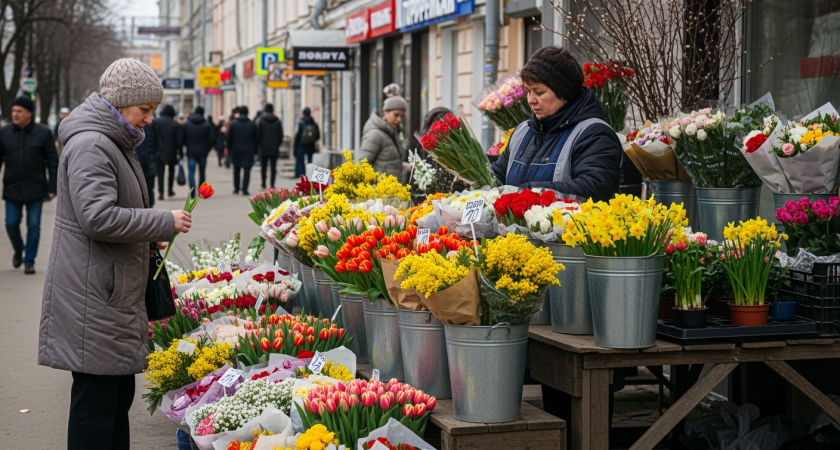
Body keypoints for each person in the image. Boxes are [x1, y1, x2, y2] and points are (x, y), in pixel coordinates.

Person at [38, 58, 192, 450]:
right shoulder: (93, 144)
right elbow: (98, 217)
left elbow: (110, 212)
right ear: (122, 104)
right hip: (96, 294)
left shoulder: (111, 140)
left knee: (115, 399)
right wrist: (162, 222)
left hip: (106, 290)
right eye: (145, 110)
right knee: (97, 406)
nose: (149, 120)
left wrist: (145, 238)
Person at [490, 46, 622, 202]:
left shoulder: (595, 134)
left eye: (539, 92)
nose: (531, 100)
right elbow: (496, 178)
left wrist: (526, 194)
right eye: (528, 91)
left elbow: (594, 187)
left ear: (563, 92)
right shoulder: (522, 132)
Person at [0, 96, 59, 274]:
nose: (15, 114)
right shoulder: (5, 133)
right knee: (11, 223)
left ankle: (29, 260)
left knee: (34, 225)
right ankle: (19, 249)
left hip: (36, 187)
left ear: (29, 114)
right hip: (12, 187)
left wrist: (52, 187)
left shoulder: (43, 133)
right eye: (13, 111)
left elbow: (52, 161)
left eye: (19, 111)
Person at [357, 83, 407, 182]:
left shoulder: (392, 132)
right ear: (385, 112)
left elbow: (389, 162)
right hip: (380, 192)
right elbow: (361, 164)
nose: (399, 119)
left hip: (390, 192)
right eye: (396, 115)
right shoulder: (375, 134)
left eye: (402, 116)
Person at [182, 106, 215, 196]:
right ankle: (202, 192)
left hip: (191, 151)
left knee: (191, 172)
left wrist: (187, 146)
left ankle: (192, 190)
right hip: (203, 152)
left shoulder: (187, 124)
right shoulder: (207, 125)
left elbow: (182, 138)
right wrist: (207, 148)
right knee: (202, 171)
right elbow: (212, 139)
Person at [227, 105, 259, 195]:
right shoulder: (252, 124)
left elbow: (229, 138)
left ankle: (236, 188)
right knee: (247, 170)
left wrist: (229, 150)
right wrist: (255, 150)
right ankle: (245, 189)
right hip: (248, 150)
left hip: (236, 149)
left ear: (239, 113)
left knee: (236, 169)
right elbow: (256, 139)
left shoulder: (233, 124)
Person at [157, 104, 183, 199]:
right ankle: (170, 190)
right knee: (171, 171)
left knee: (160, 172)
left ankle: (161, 192)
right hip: (171, 151)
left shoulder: (158, 122)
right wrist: (181, 153)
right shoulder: (175, 124)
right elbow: (179, 141)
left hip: (159, 150)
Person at [134, 113, 161, 207]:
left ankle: (148, 207)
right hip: (149, 160)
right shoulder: (153, 124)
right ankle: (149, 206)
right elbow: (158, 143)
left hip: (141, 160)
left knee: (142, 188)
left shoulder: (132, 125)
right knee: (149, 187)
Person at [257, 103, 283, 189]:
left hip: (263, 148)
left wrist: (260, 144)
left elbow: (258, 135)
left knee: (263, 166)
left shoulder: (261, 120)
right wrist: (277, 144)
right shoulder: (277, 121)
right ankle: (272, 184)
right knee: (273, 167)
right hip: (274, 148)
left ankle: (263, 182)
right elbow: (280, 135)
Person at [293, 107, 319, 177]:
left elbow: (297, 136)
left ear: (303, 113)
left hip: (302, 146)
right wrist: (312, 140)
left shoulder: (301, 122)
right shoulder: (314, 123)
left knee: (301, 160)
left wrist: (296, 146)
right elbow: (318, 135)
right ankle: (309, 175)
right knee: (310, 161)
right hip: (311, 145)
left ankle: (302, 175)